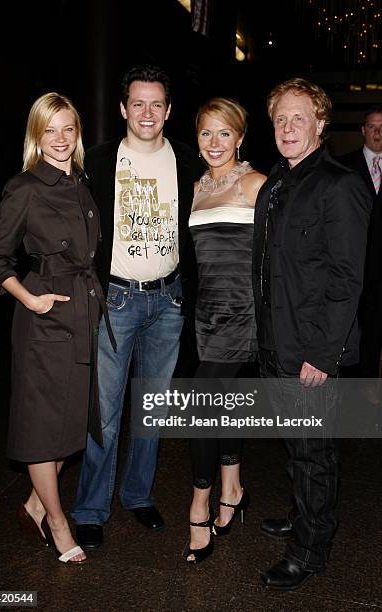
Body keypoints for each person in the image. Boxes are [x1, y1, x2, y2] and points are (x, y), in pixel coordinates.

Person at [71, 64, 202, 550]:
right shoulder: (99, 162)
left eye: (157, 104)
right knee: (104, 413)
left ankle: (138, 495)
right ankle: (89, 508)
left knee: (152, 409)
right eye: (138, 103)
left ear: (168, 111)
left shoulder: (189, 162)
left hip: (169, 300)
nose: (147, 112)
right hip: (117, 298)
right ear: (124, 108)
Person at [0, 92, 115, 563]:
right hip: (44, 317)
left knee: (73, 425)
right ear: (36, 136)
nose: (60, 139)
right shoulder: (24, 186)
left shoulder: (79, 180)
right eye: (49, 130)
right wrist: (30, 298)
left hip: (82, 313)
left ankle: (36, 502)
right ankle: (58, 523)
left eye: (68, 129)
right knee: (45, 428)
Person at [252, 78, 371, 590]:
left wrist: (322, 356)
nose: (287, 127)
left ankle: (310, 549)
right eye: (280, 118)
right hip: (276, 341)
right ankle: (306, 518)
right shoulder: (277, 180)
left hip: (311, 348)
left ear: (321, 124)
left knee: (314, 453)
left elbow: (348, 280)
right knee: (296, 444)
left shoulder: (340, 184)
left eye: (299, 117)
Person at [186, 97, 266, 564]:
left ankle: (200, 501)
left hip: (243, 314)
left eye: (224, 133)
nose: (215, 143)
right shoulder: (195, 187)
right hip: (207, 313)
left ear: (240, 137)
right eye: (205, 133)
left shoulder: (257, 185)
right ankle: (233, 487)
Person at [339, 107, 382, 402]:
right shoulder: (343, 167)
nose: (378, 132)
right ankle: (350, 395)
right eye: (372, 126)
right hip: (352, 263)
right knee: (350, 329)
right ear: (363, 130)